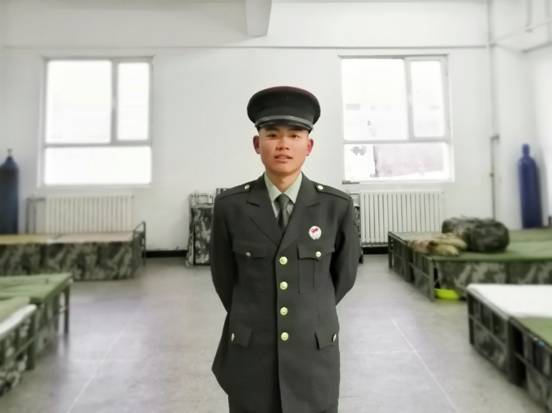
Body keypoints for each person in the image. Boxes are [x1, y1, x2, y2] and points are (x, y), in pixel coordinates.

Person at [210, 86, 360, 413]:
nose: (283, 144)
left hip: (312, 350)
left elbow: (343, 277)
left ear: (309, 146)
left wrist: (308, 309)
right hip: (253, 349)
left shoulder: (335, 206)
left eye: (294, 135)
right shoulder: (230, 207)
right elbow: (224, 278)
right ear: (257, 144)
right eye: (272, 135)